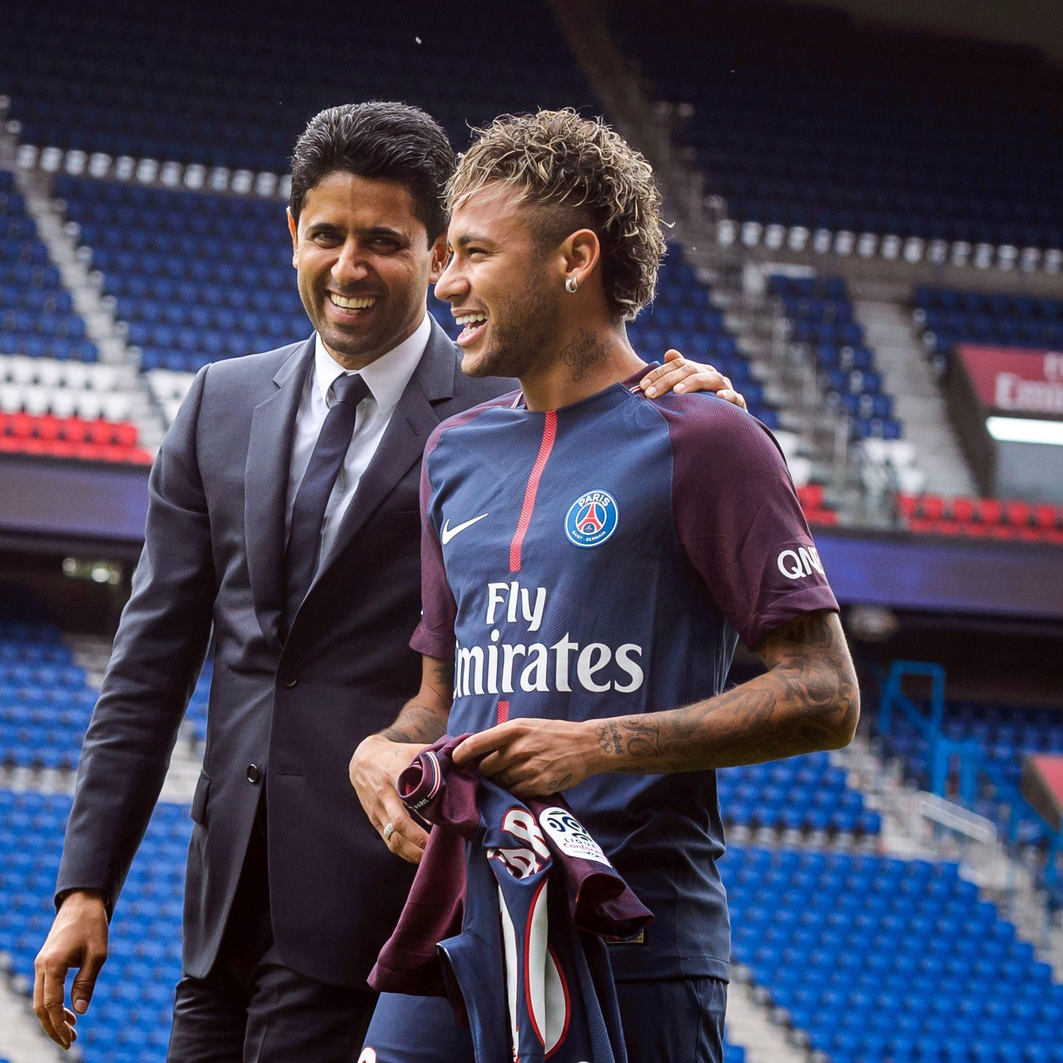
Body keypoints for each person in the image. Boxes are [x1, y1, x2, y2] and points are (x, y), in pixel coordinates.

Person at [33, 101, 748, 1063]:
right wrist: (87, 886)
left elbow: (631, 469)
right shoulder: (219, 402)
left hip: (396, 905)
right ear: (292, 235)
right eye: (326, 235)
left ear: (436, 250)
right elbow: (148, 663)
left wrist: (699, 407)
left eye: (386, 241)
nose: (349, 266)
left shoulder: (511, 406)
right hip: (224, 916)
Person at [351, 109, 859, 1063]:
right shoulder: (451, 454)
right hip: (463, 927)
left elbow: (827, 697)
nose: (443, 282)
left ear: (574, 258)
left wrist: (596, 745)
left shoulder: (708, 438)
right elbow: (438, 702)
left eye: (472, 254)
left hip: (632, 938)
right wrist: (376, 754)